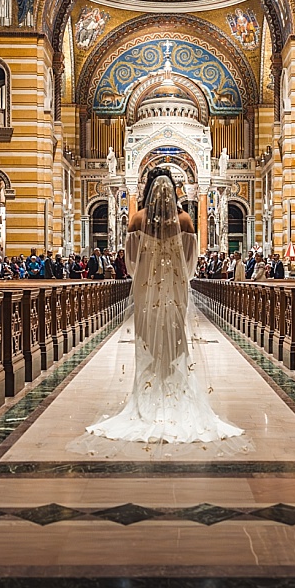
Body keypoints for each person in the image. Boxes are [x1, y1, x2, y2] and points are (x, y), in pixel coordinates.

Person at [85, 167, 244, 444]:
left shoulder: (137, 219)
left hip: (147, 293)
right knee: (175, 340)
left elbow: (132, 264)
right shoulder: (185, 221)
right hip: (177, 291)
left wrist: (149, 276)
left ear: (147, 190)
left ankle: (147, 399)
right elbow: (191, 264)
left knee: (146, 341)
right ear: (173, 190)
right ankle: (176, 393)